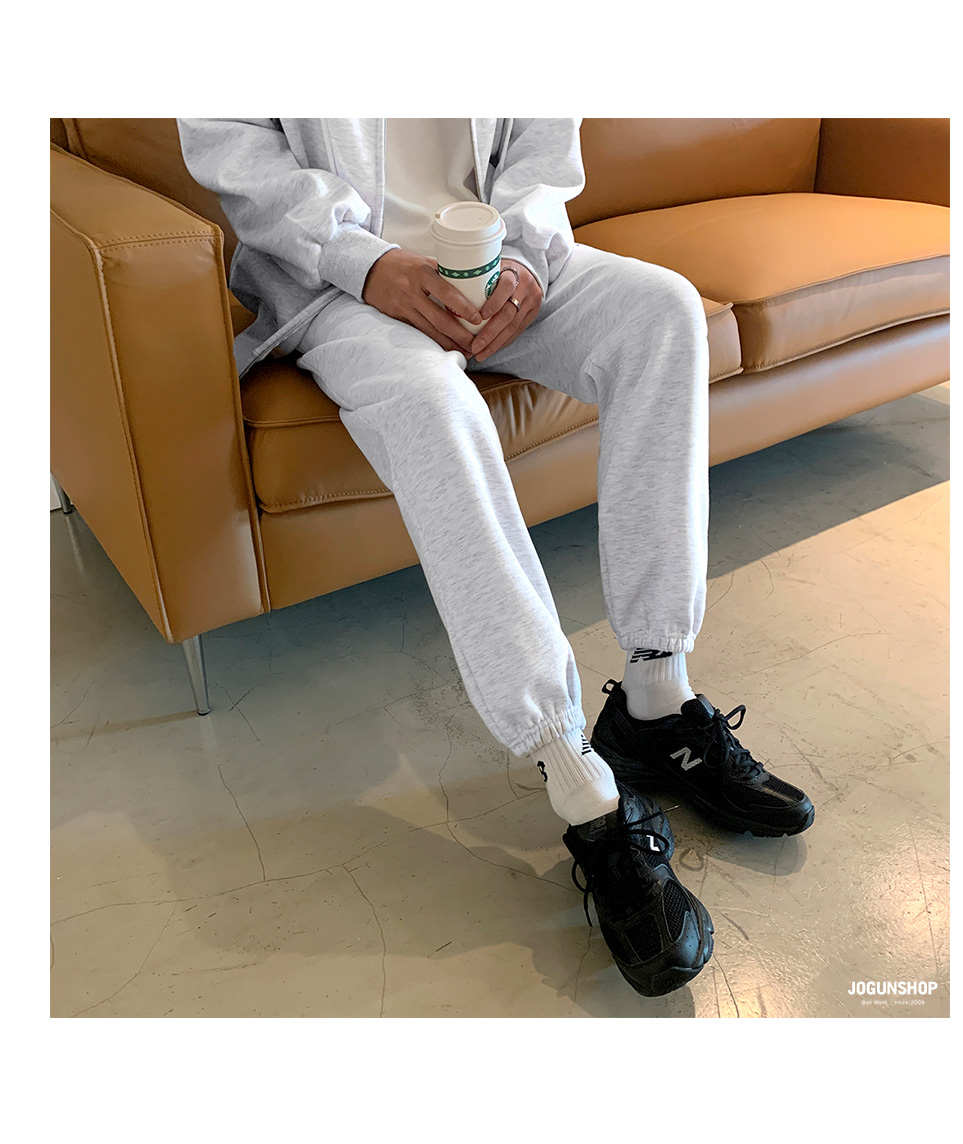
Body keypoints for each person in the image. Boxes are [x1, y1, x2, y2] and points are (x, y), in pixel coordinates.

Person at [177, 118, 815, 998]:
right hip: (340, 286)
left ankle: (656, 698)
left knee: (664, 312)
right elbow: (234, 151)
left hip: (501, 271)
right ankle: (577, 781)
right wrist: (365, 260)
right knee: (435, 404)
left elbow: (543, 145)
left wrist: (524, 255)